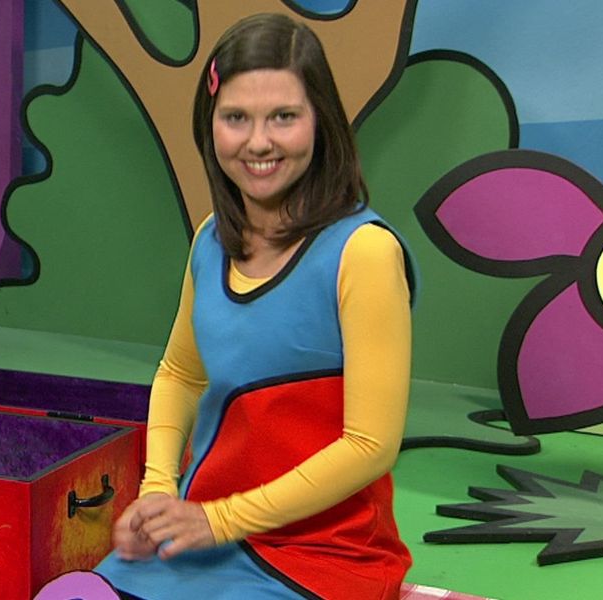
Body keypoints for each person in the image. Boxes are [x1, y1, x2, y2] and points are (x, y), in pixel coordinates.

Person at [94, 13, 416, 600]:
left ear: (321, 122)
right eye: (236, 117)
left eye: (283, 117)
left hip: (327, 554)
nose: (258, 142)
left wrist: (219, 519)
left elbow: (370, 445)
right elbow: (181, 373)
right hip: (203, 534)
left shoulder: (364, 252)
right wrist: (158, 488)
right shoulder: (209, 239)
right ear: (210, 124)